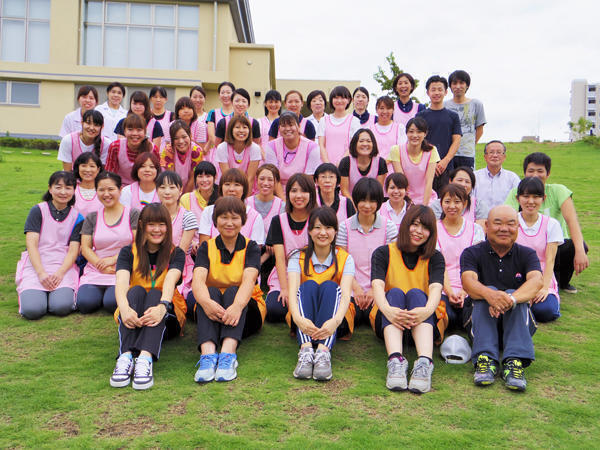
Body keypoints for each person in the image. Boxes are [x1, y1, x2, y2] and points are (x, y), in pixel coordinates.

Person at [461, 205, 543, 391]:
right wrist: (490, 295)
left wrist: (510, 299)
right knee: (484, 291)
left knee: (517, 296)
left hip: (517, 319)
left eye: (510, 224)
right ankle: (486, 360)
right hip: (479, 319)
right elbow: (468, 282)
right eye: (498, 223)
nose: (504, 228)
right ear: (487, 226)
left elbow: (536, 282)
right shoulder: (472, 253)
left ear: (518, 228)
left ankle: (514, 362)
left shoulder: (527, 254)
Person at [370, 205, 447, 393]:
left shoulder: (435, 258)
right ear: (405, 225)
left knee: (416, 294)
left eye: (425, 228)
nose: (419, 231)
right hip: (390, 321)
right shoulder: (383, 253)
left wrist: (426, 311)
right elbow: (377, 286)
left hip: (425, 321)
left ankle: (424, 362)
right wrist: (388, 310)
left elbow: (436, 288)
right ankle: (395, 360)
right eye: (415, 224)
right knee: (395, 293)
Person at [110, 203, 186, 390]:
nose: (157, 230)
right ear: (142, 225)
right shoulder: (128, 252)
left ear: (168, 227)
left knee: (155, 293)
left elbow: (170, 281)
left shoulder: (176, 253)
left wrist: (162, 306)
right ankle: (126, 356)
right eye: (152, 224)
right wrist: (125, 309)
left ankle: (145, 358)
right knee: (135, 291)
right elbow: (121, 282)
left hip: (167, 317)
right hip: (134, 315)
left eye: (162, 224)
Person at [191, 196, 265, 383]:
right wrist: (206, 303)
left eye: (235, 218)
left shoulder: (251, 247)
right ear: (215, 221)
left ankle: (227, 355)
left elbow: (249, 281)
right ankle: (207, 357)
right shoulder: (206, 247)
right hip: (213, 312)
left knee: (233, 291)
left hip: (246, 312)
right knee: (209, 293)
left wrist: (238, 306)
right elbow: (198, 280)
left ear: (242, 221)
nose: (229, 223)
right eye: (224, 217)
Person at [505, 152, 589, 293]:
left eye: (540, 171)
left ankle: (560, 281)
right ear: (525, 173)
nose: (535, 175)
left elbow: (571, 220)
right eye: (531, 171)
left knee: (576, 246)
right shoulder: (517, 192)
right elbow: (508, 218)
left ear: (548, 174)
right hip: (527, 246)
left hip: (555, 245)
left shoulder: (558, 191)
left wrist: (580, 250)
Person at [288, 207, 355, 381]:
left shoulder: (345, 258)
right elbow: (293, 290)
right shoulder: (297, 257)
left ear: (335, 231)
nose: (323, 232)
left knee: (331, 287)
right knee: (307, 285)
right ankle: (306, 350)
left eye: (328, 228)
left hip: (335, 321)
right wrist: (298, 318)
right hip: (304, 320)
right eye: (317, 227)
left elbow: (346, 294)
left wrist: (335, 321)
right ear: (309, 231)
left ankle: (323, 353)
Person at [16, 171, 83, 320]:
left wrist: (60, 273)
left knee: (61, 307)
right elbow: (31, 245)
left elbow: (73, 250)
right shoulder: (38, 210)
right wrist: (41, 273)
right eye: (58, 187)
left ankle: (54, 295)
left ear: (74, 190)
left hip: (63, 266)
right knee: (32, 310)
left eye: (68, 188)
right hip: (36, 265)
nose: (63, 192)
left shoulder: (77, 217)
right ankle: (35, 295)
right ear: (50, 188)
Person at [337, 178, 397, 326]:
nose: (367, 206)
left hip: (380, 288)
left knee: (381, 320)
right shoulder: (344, 227)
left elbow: (391, 263)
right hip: (351, 287)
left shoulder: (389, 227)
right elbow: (342, 262)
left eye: (372, 201)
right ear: (356, 200)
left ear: (379, 202)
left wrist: (374, 289)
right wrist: (356, 288)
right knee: (346, 321)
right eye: (363, 200)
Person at [77, 172, 138, 313]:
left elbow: (138, 244)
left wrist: (114, 259)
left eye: (111, 189)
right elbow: (85, 248)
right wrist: (100, 265)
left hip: (123, 268)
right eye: (101, 190)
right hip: (96, 269)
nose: (106, 194)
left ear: (120, 190)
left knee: (112, 302)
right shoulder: (92, 217)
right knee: (86, 303)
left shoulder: (132, 214)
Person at [265, 173, 317, 322]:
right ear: (288, 194)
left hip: (310, 276)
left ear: (311, 194)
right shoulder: (278, 221)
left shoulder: (317, 219)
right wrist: (285, 289)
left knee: (309, 308)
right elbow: (280, 258)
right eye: (294, 191)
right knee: (274, 310)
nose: (298, 195)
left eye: (303, 191)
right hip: (284, 275)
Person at [436, 184, 485, 332]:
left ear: (465, 204)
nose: (452, 206)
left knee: (469, 314)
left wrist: (465, 291)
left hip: (471, 286)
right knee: (449, 317)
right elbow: (439, 265)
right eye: (447, 201)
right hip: (442, 287)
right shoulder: (433, 229)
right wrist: (450, 292)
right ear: (441, 203)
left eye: (457, 202)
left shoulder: (475, 229)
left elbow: (477, 265)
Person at [515, 177, 563, 322]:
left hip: (542, 278)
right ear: (518, 198)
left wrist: (543, 288)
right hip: (516, 277)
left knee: (545, 311)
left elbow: (550, 260)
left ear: (544, 198)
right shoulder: (511, 222)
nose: (531, 201)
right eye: (526, 196)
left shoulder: (551, 224)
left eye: (536, 197)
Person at [156, 171, 198, 302]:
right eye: (162, 187)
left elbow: (181, 251)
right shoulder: (151, 214)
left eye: (172, 187)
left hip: (180, 265)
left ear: (180, 190)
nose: (167, 192)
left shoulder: (188, 216)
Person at [416, 75, 462, 194]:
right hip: (424, 166)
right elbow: (416, 141)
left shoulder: (453, 116)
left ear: (446, 92)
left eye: (440, 89)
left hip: (446, 167)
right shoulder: (420, 116)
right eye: (433, 89)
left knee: (445, 200)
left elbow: (456, 140)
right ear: (427, 92)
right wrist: (430, 162)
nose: (436, 93)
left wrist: (445, 161)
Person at [197, 168, 265, 246]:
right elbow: (204, 246)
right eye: (227, 184)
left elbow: (255, 252)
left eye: (237, 185)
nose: (231, 189)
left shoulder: (255, 216)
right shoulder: (208, 211)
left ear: (244, 189)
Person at [264, 111, 321, 194]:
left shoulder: (312, 147)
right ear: (279, 128)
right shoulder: (271, 146)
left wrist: (296, 197)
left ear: (299, 127)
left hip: (303, 191)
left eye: (291, 125)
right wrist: (283, 201)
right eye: (283, 126)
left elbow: (309, 178)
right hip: (278, 192)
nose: (287, 129)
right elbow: (274, 177)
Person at [389, 117, 438, 205]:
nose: (415, 135)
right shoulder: (396, 150)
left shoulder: (432, 151)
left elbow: (429, 181)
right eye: (411, 131)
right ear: (406, 133)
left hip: (427, 199)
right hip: (405, 198)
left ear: (425, 134)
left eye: (419, 132)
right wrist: (410, 204)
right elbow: (402, 182)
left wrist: (424, 207)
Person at [444, 70, 486, 169]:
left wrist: (470, 145)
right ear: (450, 86)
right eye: (454, 83)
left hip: (467, 154)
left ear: (467, 85)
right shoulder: (444, 105)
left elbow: (479, 129)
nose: (458, 86)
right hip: (447, 154)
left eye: (461, 83)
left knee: (466, 182)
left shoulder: (476, 104)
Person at [105, 114, 159, 186]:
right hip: (120, 188)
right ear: (124, 131)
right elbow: (110, 174)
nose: (134, 134)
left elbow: (157, 175)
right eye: (130, 129)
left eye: (139, 130)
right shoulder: (115, 146)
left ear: (145, 132)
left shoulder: (152, 149)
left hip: (144, 188)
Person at [214, 115, 262, 188]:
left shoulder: (255, 148)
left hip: (247, 188)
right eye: (237, 127)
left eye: (245, 127)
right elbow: (227, 177)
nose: (241, 130)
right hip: (226, 188)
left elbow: (250, 178)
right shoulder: (222, 148)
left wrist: (244, 198)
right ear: (231, 130)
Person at [318, 86, 361, 166]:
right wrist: (328, 164)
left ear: (349, 100)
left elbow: (354, 145)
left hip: (346, 166)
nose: (339, 101)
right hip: (326, 167)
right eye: (336, 98)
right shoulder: (324, 120)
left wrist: (341, 162)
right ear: (331, 100)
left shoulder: (354, 121)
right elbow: (321, 145)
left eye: (343, 98)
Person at [339, 128, 387, 198]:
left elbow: (378, 191)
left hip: (371, 203)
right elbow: (344, 191)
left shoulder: (380, 163)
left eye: (368, 141)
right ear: (355, 144)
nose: (365, 144)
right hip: (349, 203)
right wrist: (355, 208)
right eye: (361, 141)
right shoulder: (346, 162)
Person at [473, 140, 520, 208]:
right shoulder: (475, 176)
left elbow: (518, 200)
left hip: (505, 217)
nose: (495, 155)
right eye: (491, 152)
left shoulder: (512, 178)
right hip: (480, 217)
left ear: (504, 157)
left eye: (499, 152)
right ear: (485, 157)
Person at [160, 120, 203, 193]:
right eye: (176, 138)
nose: (181, 141)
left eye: (184, 137)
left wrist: (184, 199)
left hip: (191, 190)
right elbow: (171, 178)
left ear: (190, 136)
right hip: (172, 189)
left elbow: (192, 179)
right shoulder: (168, 150)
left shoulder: (196, 151)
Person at [369, 96, 406, 173]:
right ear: (376, 109)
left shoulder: (400, 128)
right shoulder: (369, 130)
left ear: (393, 110)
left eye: (388, 108)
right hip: (374, 170)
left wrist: (386, 161)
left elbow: (401, 150)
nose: (385, 111)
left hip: (394, 170)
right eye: (382, 108)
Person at [179, 161, 219, 227]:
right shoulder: (186, 198)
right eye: (200, 176)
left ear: (215, 177)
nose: (204, 180)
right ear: (195, 179)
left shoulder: (222, 197)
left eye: (208, 176)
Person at [206, 81, 235, 152]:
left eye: (228, 92)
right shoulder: (213, 113)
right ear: (219, 95)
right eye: (222, 93)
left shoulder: (240, 112)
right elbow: (211, 136)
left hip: (236, 151)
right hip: (218, 151)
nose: (225, 95)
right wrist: (222, 149)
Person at [72, 152, 103, 218]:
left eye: (92, 166)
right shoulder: (71, 189)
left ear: (98, 169)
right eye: (84, 166)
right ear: (78, 168)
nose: (88, 170)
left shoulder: (104, 190)